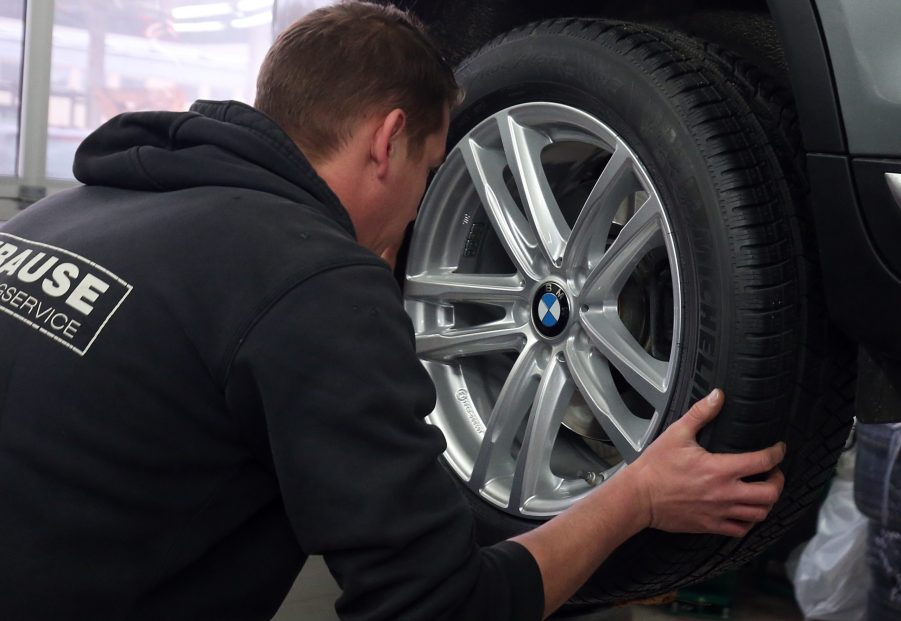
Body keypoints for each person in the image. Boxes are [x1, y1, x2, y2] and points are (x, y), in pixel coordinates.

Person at [0, 2, 785, 620]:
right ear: (388, 140)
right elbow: (439, 607)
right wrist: (637, 496)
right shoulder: (307, 280)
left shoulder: (58, 216)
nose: (419, 216)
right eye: (433, 168)